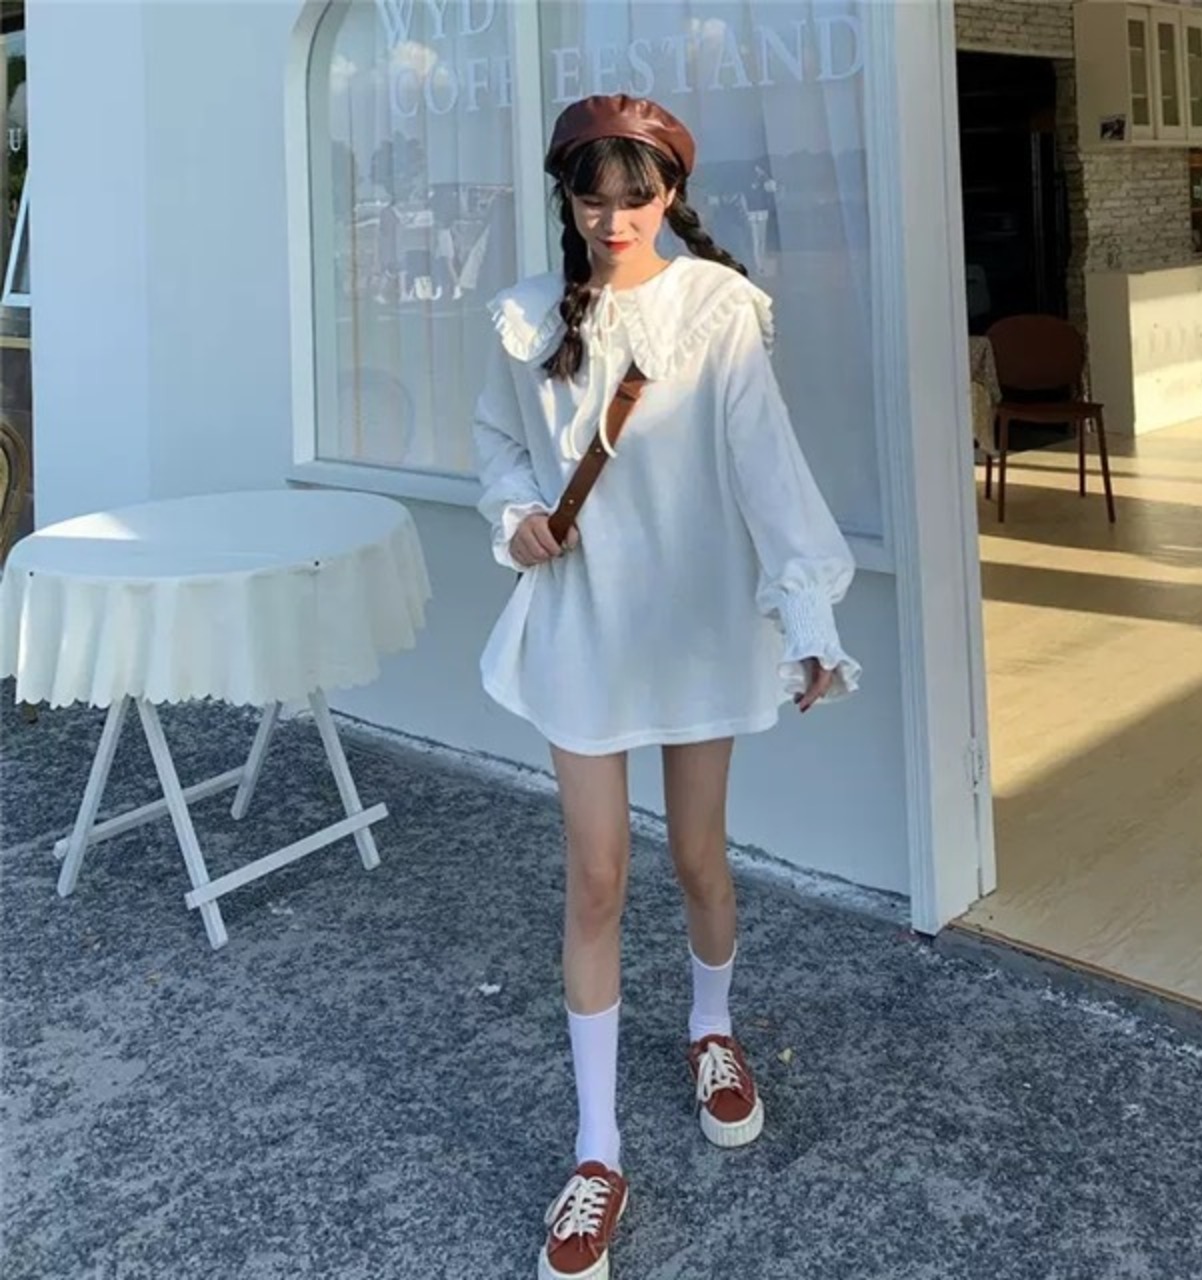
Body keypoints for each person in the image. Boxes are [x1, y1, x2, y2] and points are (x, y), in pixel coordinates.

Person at [472, 95, 859, 1280]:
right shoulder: (526, 317)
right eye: (592, 197)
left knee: (698, 857)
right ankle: (596, 1149)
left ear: (671, 195)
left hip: (693, 621)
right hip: (582, 621)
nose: (613, 219)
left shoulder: (714, 309)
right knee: (595, 873)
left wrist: (807, 615)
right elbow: (495, 445)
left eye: (635, 196)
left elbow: (765, 466)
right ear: (566, 197)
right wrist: (516, 515)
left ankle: (710, 1026)